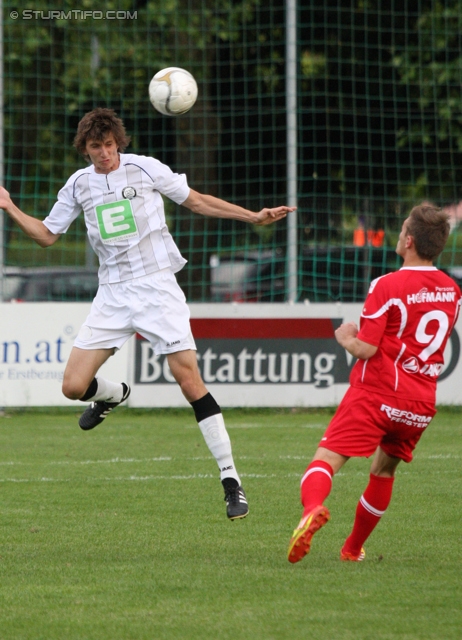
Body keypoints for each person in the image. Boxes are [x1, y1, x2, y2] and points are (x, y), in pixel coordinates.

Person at [0, 107, 295, 521]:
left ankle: (231, 481)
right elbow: (48, 236)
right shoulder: (79, 185)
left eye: (108, 144)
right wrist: (9, 206)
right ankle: (113, 395)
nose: (104, 153)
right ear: (84, 149)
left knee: (187, 378)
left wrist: (252, 216)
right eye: (94, 147)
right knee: (71, 386)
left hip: (157, 286)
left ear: (118, 142)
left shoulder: (145, 169)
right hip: (113, 293)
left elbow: (196, 202)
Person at [287, 203, 461, 563]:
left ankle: (312, 510)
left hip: (377, 394)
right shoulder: (451, 290)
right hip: (420, 404)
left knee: (325, 460)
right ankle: (352, 550)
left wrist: (345, 337)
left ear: (409, 241)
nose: (398, 237)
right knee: (383, 472)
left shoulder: (388, 284)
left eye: (400, 232)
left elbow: (366, 348)